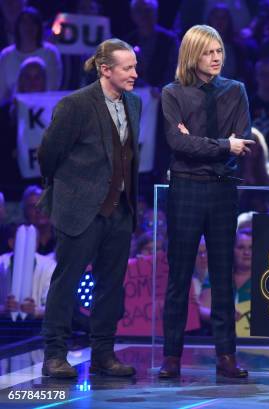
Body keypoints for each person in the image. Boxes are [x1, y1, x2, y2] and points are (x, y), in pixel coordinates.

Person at [37, 38, 140, 378]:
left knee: (111, 286)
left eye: (135, 67)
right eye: (127, 68)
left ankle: (103, 354)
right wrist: (69, 190)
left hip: (120, 210)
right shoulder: (75, 105)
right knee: (66, 282)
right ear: (105, 69)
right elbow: (48, 154)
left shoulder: (135, 104)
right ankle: (54, 354)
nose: (134, 74)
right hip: (80, 210)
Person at [159, 24, 254, 379]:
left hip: (222, 188)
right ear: (191, 55)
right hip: (185, 188)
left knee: (223, 275)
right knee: (180, 275)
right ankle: (171, 356)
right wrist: (221, 144)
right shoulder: (173, 93)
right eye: (208, 52)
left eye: (219, 51)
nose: (216, 58)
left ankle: (226, 356)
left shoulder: (236, 91)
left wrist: (200, 141)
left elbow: (242, 142)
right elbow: (176, 143)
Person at [0, 7, 62, 105]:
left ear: (38, 26)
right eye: (24, 22)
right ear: (18, 26)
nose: (28, 26)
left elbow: (52, 86)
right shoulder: (6, 55)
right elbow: (1, 93)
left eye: (32, 22)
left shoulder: (51, 52)